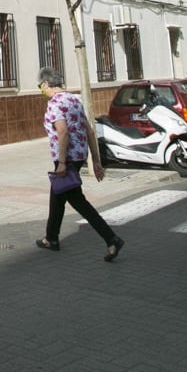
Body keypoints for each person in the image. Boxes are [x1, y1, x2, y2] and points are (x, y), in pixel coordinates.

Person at [36, 67, 124, 261]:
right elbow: (90, 132)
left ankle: (111, 238)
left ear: (46, 84)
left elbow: (62, 132)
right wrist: (96, 161)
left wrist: (60, 163)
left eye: (40, 86)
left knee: (78, 201)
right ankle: (51, 238)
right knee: (58, 197)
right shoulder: (75, 100)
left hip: (66, 159)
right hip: (79, 156)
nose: (41, 90)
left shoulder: (55, 103)